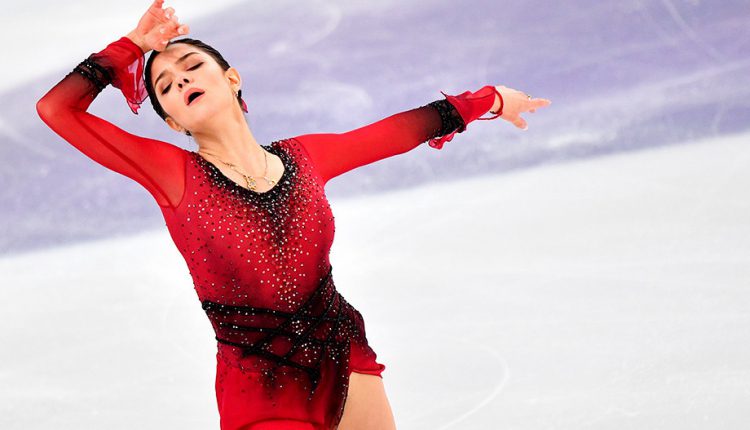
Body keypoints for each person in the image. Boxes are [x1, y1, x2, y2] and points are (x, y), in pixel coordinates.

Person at [35, 1, 551, 429]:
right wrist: (132, 45)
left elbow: (392, 134)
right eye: (165, 86)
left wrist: (488, 100)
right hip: (260, 387)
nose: (181, 80)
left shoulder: (305, 157)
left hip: (343, 355)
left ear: (231, 78)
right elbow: (57, 109)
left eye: (191, 66)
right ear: (172, 121)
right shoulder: (173, 173)